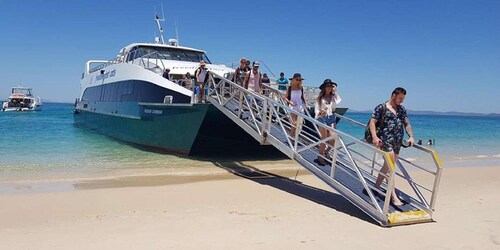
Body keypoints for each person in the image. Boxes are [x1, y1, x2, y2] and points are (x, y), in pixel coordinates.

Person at [369, 87, 415, 207]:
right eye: (400, 98)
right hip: (385, 142)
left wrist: (411, 136)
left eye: (403, 99)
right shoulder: (381, 107)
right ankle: (393, 196)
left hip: (397, 143)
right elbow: (372, 122)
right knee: (390, 168)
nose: (402, 101)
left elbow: (407, 123)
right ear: (393, 95)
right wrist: (374, 137)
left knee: (387, 167)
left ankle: (376, 187)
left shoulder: (401, 109)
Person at [314, 79, 342, 165]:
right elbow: (316, 109)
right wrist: (320, 112)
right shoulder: (320, 98)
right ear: (324, 87)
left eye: (331, 86)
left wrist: (335, 91)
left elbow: (339, 100)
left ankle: (327, 151)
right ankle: (320, 156)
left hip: (331, 117)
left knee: (334, 138)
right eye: (328, 86)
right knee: (324, 138)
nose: (329, 87)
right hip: (322, 118)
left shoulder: (333, 97)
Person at [284, 73, 307, 138]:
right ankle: (291, 137)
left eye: (300, 80)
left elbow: (302, 97)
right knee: (295, 123)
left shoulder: (301, 88)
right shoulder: (290, 88)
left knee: (298, 124)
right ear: (294, 80)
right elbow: (285, 97)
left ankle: (294, 137)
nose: (298, 81)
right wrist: (290, 102)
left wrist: (306, 104)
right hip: (293, 106)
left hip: (299, 106)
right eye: (297, 79)